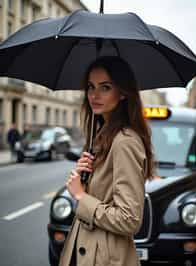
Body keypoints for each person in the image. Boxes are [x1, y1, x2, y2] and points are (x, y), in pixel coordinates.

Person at [59, 56, 154, 266]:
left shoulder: (124, 141)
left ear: (122, 93)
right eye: (91, 87)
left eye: (105, 87)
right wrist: (86, 179)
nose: (94, 95)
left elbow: (129, 219)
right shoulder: (102, 136)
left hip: (104, 258)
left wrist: (80, 195)